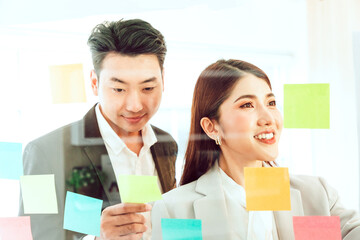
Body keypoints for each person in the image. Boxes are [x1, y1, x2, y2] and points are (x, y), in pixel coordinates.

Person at [151, 59, 360, 239]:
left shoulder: (315, 196)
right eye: (247, 105)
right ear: (211, 127)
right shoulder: (176, 211)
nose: (269, 118)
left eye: (271, 102)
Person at [19, 19, 178, 240]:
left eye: (148, 88)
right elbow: (29, 235)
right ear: (94, 82)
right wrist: (96, 237)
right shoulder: (43, 151)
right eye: (119, 89)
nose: (135, 105)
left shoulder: (166, 143)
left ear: (163, 80)